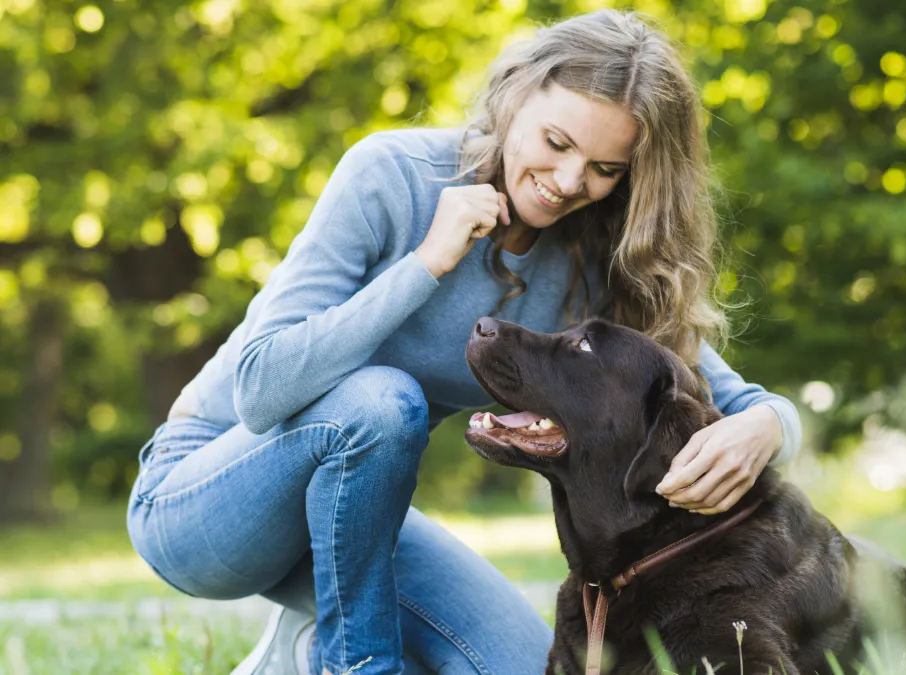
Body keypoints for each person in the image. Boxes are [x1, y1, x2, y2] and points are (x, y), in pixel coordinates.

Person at [126, 8, 802, 675]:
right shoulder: (392, 174)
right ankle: (355, 666)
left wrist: (769, 427)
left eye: (605, 167)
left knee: (520, 668)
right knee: (380, 400)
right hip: (204, 501)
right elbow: (259, 389)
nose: (570, 181)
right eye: (556, 142)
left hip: (357, 523)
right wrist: (425, 264)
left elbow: (730, 398)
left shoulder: (598, 256)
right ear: (516, 94)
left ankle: (297, 658)